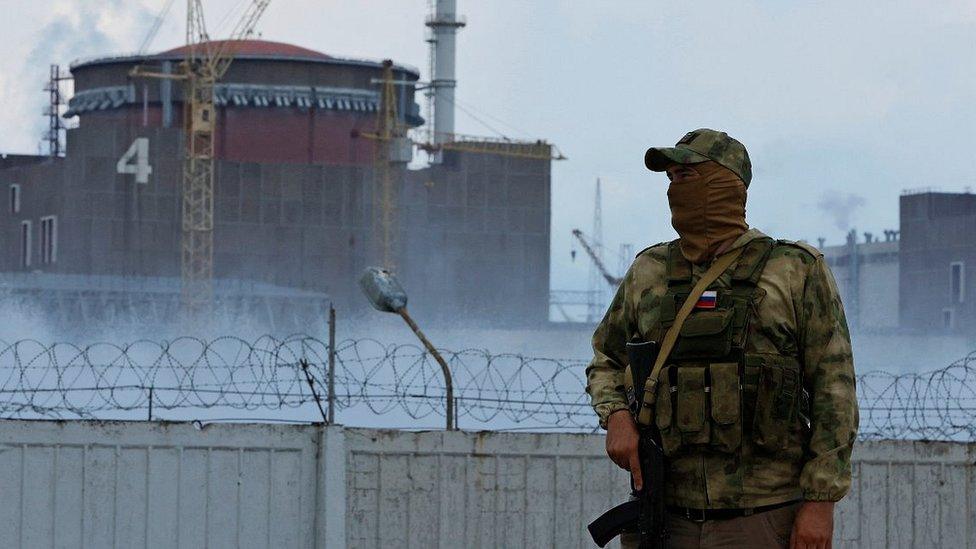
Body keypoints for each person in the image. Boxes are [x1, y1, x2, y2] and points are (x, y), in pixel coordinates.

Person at [586, 128, 858, 549]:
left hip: (763, 516)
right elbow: (606, 357)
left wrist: (820, 502)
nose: (675, 189)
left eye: (686, 176)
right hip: (666, 514)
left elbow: (834, 390)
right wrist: (616, 416)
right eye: (670, 179)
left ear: (725, 183)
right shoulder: (650, 270)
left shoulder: (794, 269)